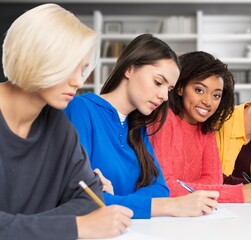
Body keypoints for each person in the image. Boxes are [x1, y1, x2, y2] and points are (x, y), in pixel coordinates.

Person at [0, 3, 133, 240]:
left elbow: (90, 198)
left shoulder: (59, 126)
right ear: (36, 55)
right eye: (69, 67)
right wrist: (76, 227)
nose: (78, 82)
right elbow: (84, 220)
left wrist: (21, 228)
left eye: (81, 70)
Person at [64, 34, 219, 219]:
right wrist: (170, 206)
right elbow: (80, 199)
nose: (164, 96)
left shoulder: (137, 127)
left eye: (169, 89)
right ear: (129, 69)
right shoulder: (81, 110)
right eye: (158, 82)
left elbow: (160, 189)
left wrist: (116, 200)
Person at [148, 51, 251, 203]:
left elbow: (214, 182)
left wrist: (185, 188)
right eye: (199, 90)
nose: (208, 102)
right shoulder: (163, 119)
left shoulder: (206, 128)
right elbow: (164, 187)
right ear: (180, 88)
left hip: (196, 213)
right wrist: (236, 193)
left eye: (216, 95)